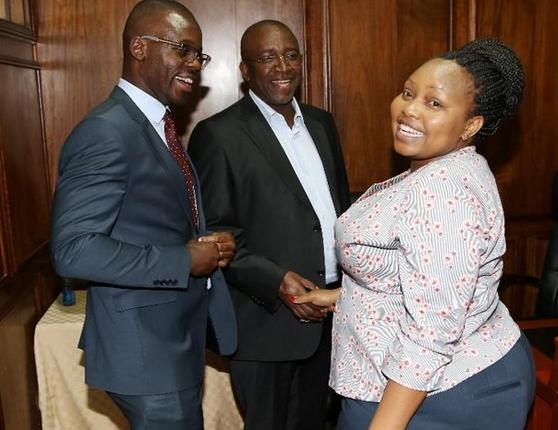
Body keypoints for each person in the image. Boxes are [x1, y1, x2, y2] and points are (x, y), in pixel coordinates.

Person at [295, 38, 536, 429]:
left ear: (470, 125)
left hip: (440, 392)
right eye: (408, 92)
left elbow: (432, 330)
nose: (409, 108)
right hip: (428, 380)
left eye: (434, 103)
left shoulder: (442, 191)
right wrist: (345, 294)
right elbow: (425, 277)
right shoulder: (440, 168)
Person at [49, 1, 237, 429]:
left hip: (170, 341)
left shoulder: (157, 124)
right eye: (183, 50)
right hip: (143, 352)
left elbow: (155, 220)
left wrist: (203, 245)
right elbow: (73, 250)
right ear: (139, 48)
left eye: (198, 55)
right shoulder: (107, 131)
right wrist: (184, 260)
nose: (194, 65)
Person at [188, 20, 351, 430]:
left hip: (332, 314)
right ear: (245, 71)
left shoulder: (321, 123)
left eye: (291, 55)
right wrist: (277, 281)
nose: (283, 67)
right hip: (266, 324)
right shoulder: (218, 135)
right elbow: (217, 237)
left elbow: (339, 212)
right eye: (267, 57)